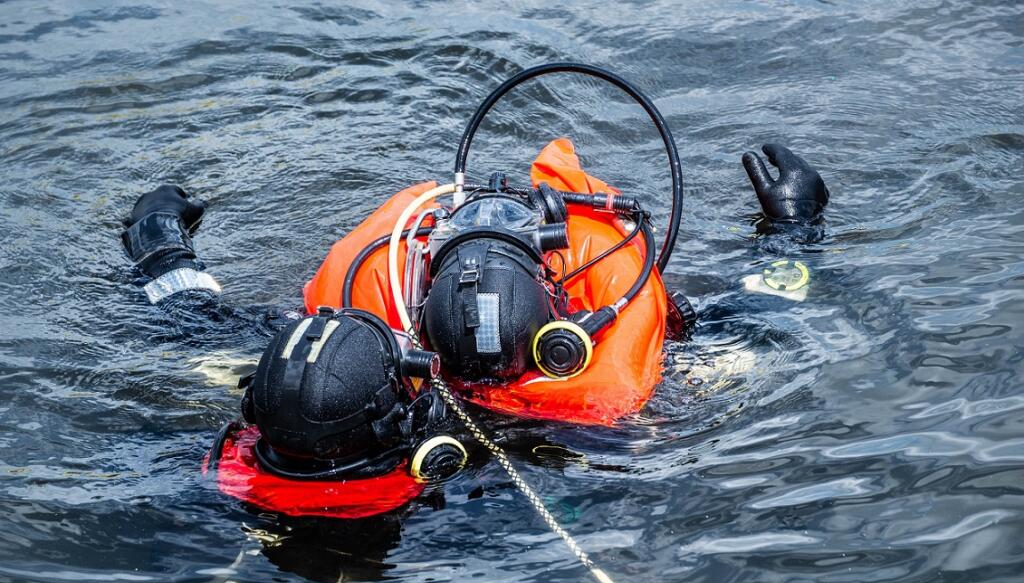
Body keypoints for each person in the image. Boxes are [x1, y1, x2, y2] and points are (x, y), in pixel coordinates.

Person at [118, 143, 828, 513]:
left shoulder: (328, 372)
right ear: (562, 326)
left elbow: (188, 317)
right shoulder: (602, 416)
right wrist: (793, 233)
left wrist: (156, 238)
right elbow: (755, 327)